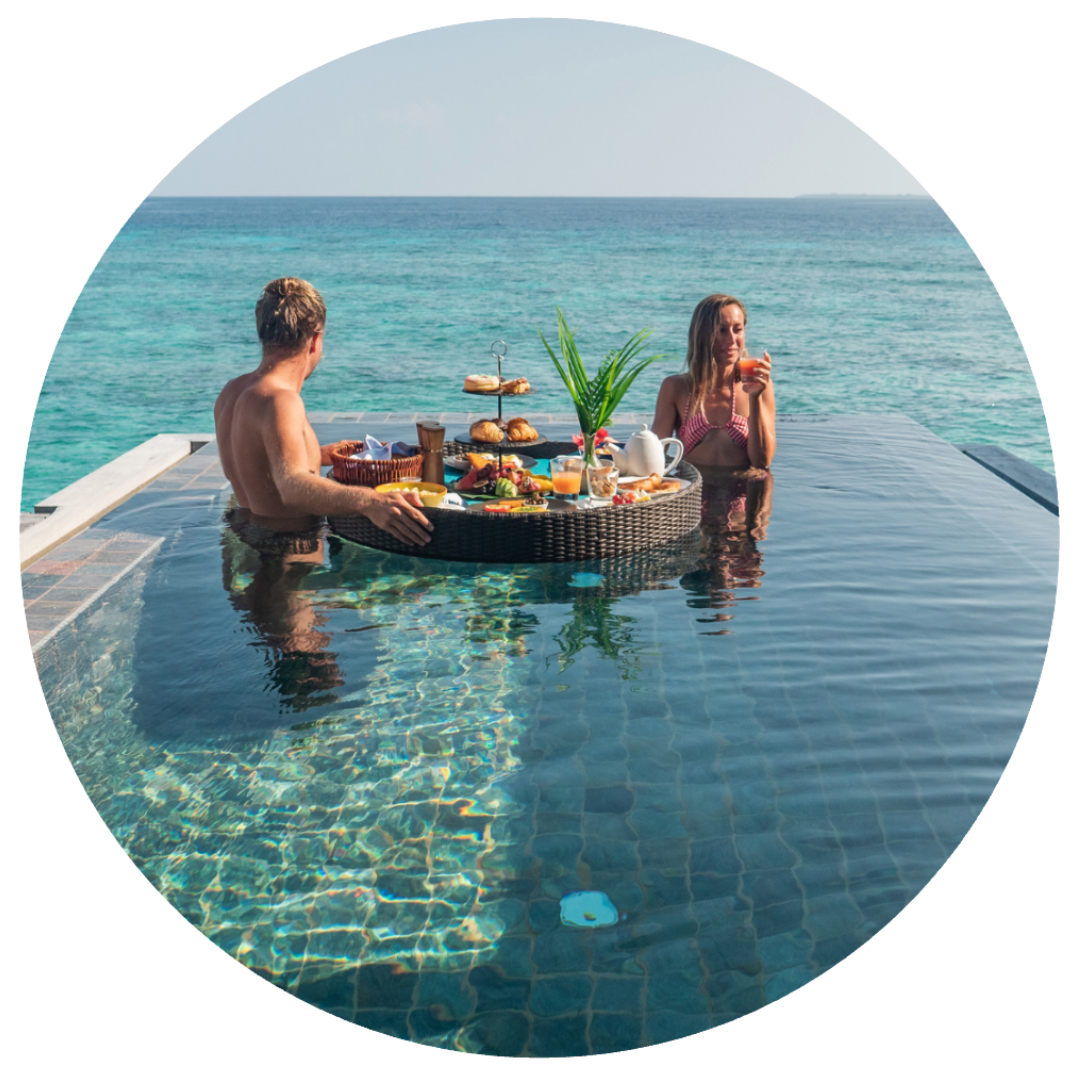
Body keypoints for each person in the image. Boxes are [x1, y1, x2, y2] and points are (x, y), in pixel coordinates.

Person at [214, 278, 433, 546]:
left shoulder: (231, 393)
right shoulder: (282, 400)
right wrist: (369, 501)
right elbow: (291, 485)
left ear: (262, 333)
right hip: (289, 555)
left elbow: (253, 463)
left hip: (248, 539)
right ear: (315, 341)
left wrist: (317, 455)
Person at [651, 294, 776, 470]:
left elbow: (762, 462)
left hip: (747, 493)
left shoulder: (760, 386)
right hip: (693, 494)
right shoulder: (676, 388)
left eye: (737, 329)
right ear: (702, 334)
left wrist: (754, 397)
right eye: (722, 330)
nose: (732, 340)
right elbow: (653, 457)